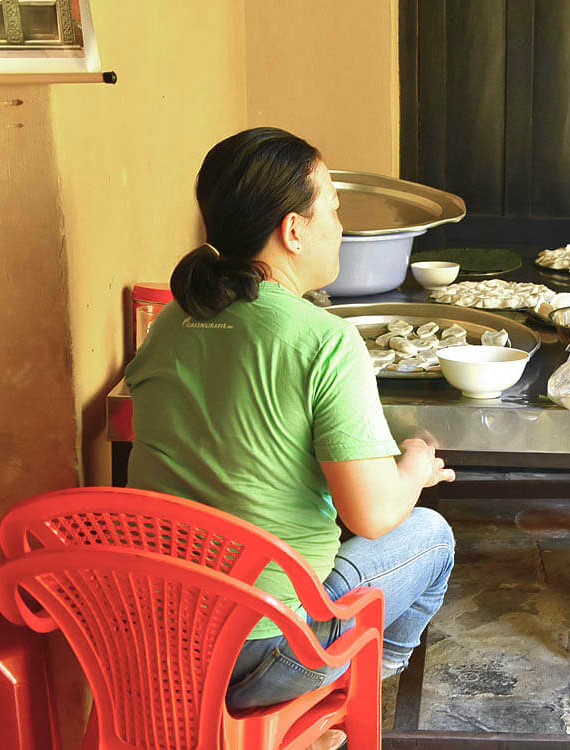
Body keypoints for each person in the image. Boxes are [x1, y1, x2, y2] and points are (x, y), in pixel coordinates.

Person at [125, 127, 455, 750]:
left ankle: (324, 710)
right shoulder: (323, 340)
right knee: (430, 538)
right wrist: (414, 464)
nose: (339, 225)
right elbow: (374, 512)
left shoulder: (171, 321)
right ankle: (345, 697)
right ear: (293, 230)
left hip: (154, 642)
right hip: (260, 657)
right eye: (332, 208)